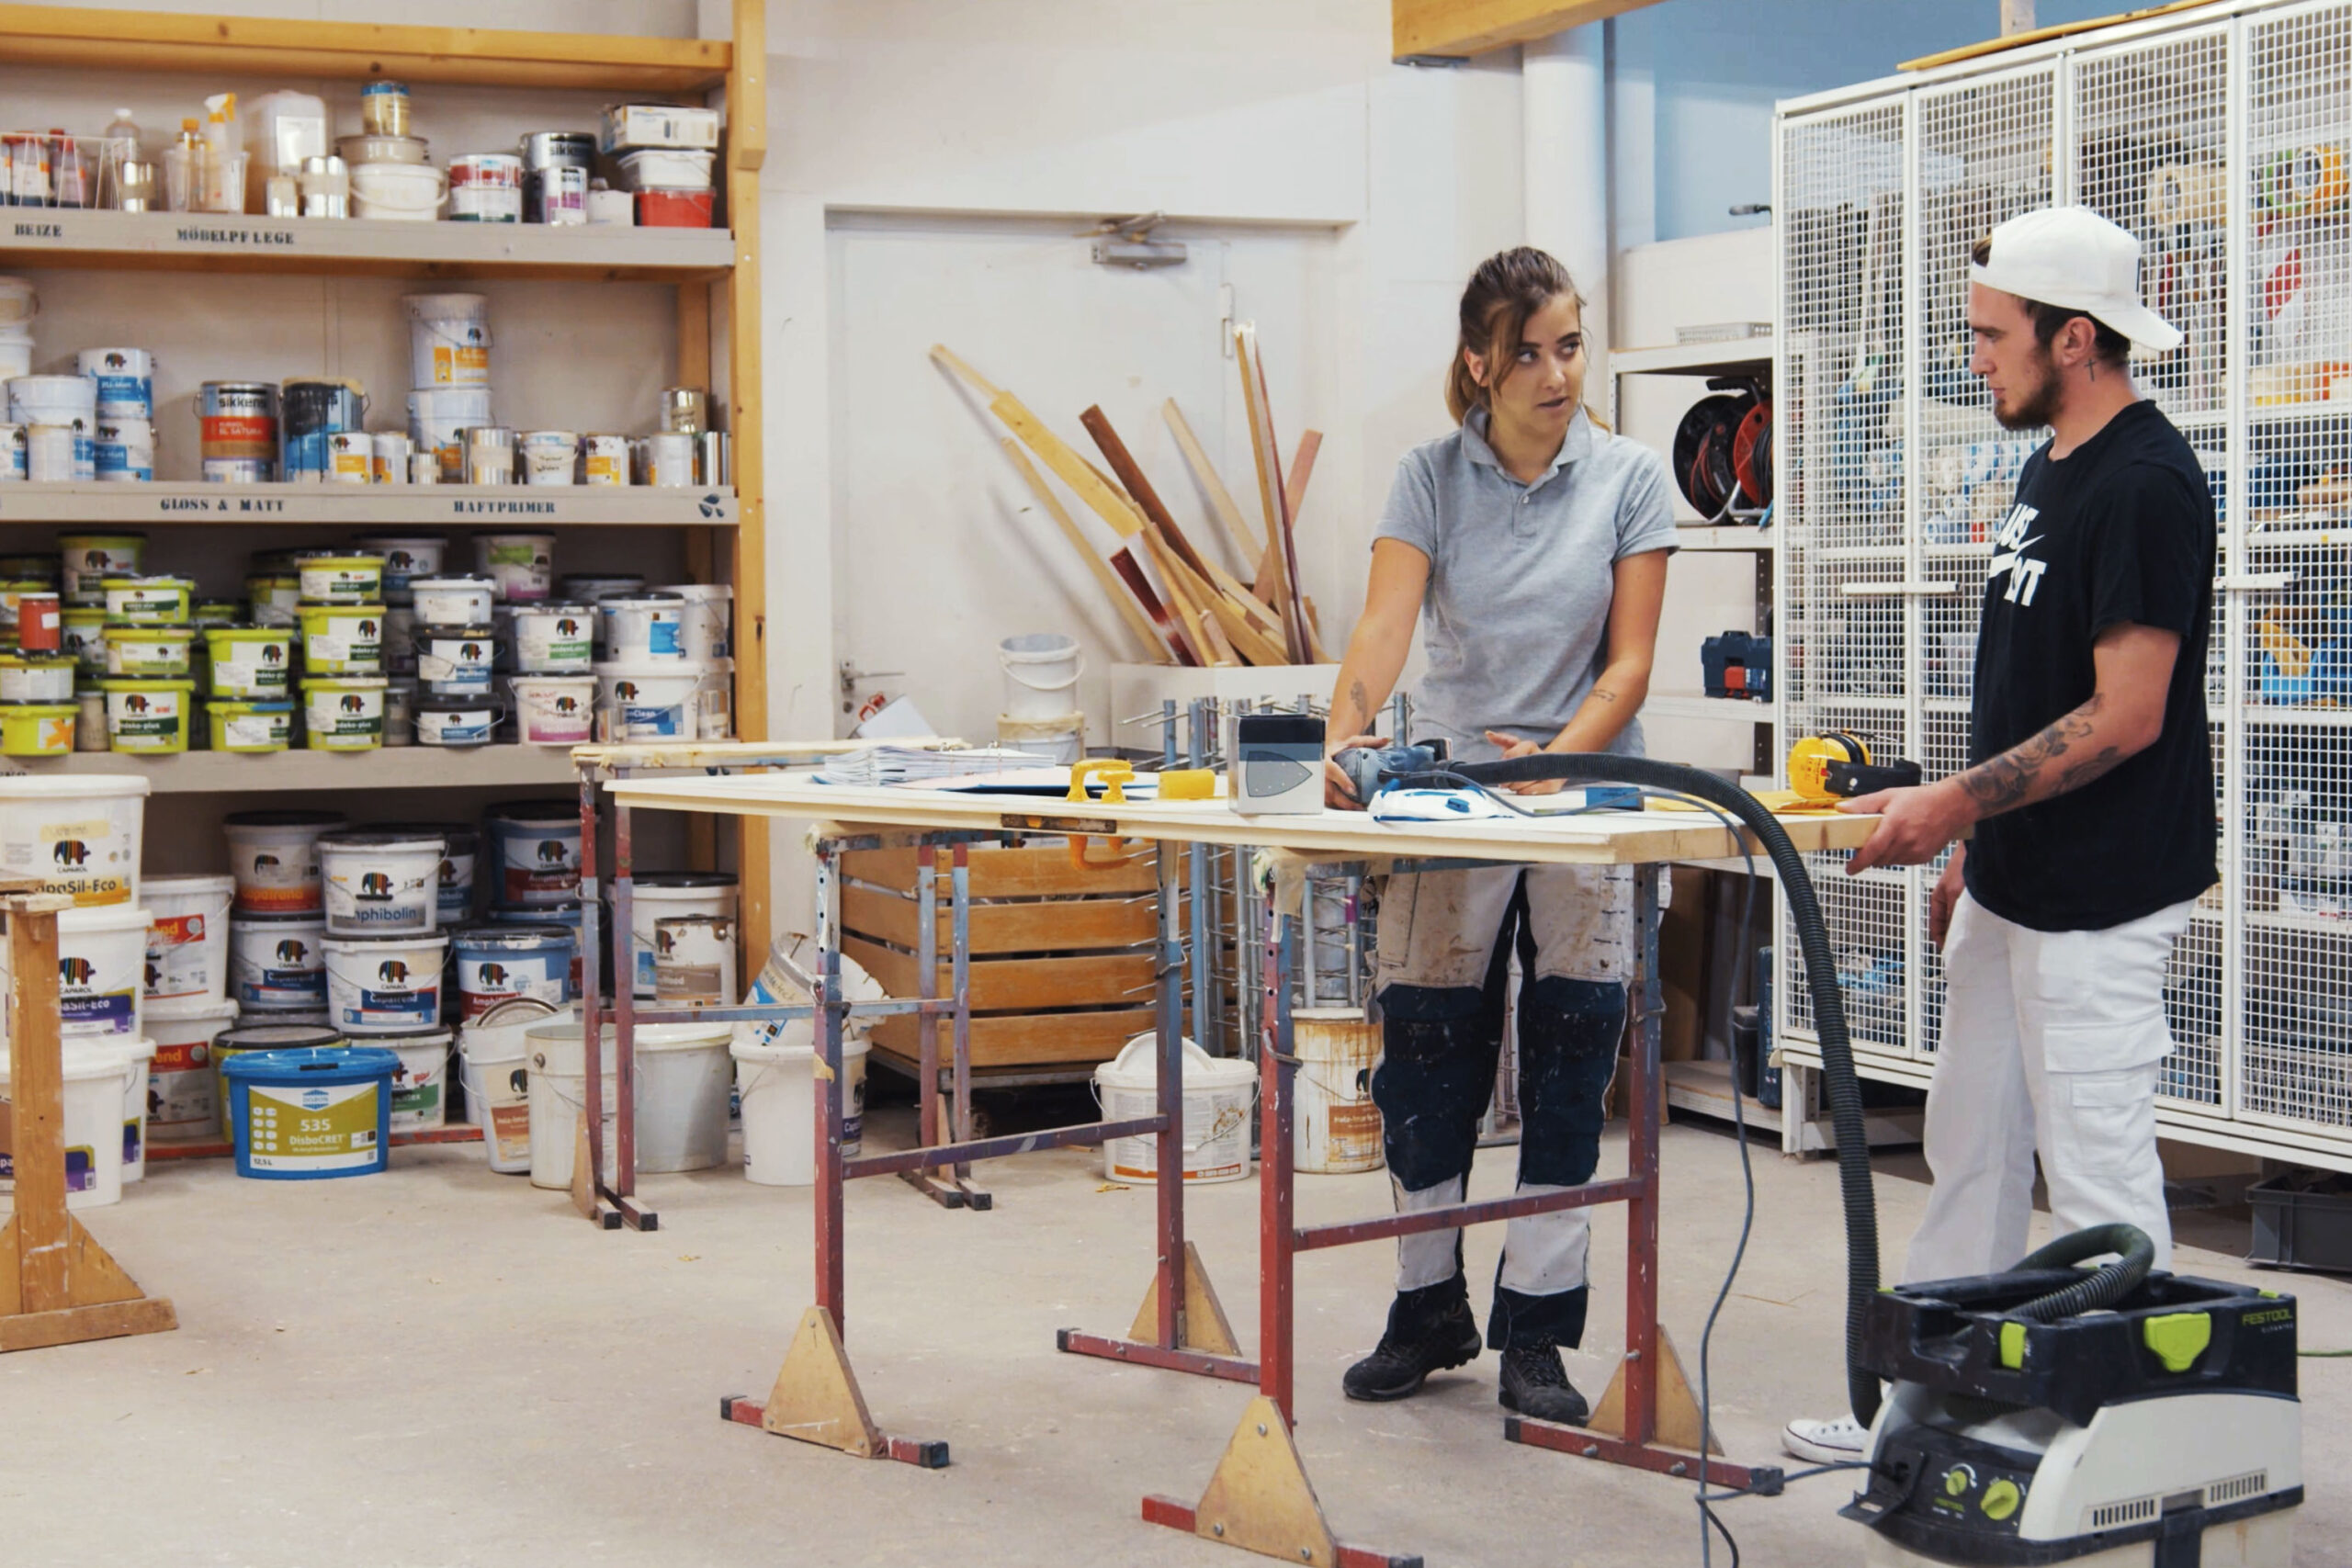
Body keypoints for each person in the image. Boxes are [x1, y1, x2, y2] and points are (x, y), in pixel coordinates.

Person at [1783, 206, 2216, 1465]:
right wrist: (1978, 849)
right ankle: (1923, 1408)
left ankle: (2128, 1451)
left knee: (2096, 1183)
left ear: (2073, 337)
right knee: (1968, 1153)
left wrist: (1954, 806)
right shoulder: (2050, 465)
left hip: (2103, 899)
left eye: (1990, 335)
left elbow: (2127, 713)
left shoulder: (2143, 484)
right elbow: (2031, 687)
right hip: (2015, 881)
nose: (1971, 357)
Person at [1321, 246, 1678, 1424]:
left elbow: (1629, 664)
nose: (1554, 374)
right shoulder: (1428, 476)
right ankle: (1427, 1305)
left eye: (1568, 346)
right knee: (1426, 1058)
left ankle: (1539, 1330)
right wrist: (1344, 736)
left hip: (1585, 797)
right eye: (1526, 353)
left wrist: (1560, 760)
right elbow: (1384, 625)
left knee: (1571, 1058)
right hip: (1454, 792)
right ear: (1478, 363)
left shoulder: (1628, 477)